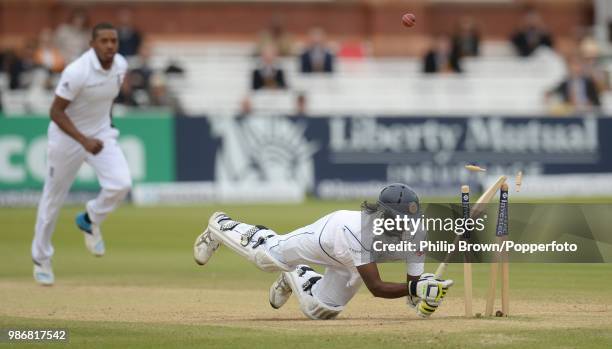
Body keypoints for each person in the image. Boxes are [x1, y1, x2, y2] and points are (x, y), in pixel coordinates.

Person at [193, 183, 454, 320]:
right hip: (327, 238)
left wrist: (426, 298)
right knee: (266, 258)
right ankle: (220, 225)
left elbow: (412, 291)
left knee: (320, 310)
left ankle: (299, 275)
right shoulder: (360, 230)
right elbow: (376, 287)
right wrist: (416, 290)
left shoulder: (420, 233)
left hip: (352, 262)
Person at [31, 23, 132, 286]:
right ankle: (41, 258)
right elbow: (55, 112)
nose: (110, 46)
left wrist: (106, 127)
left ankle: (89, 219)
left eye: (114, 41)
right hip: (67, 138)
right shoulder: (77, 71)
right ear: (92, 44)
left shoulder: (120, 65)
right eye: (104, 41)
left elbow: (106, 101)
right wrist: (83, 140)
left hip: (100, 134)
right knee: (53, 199)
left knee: (121, 184)